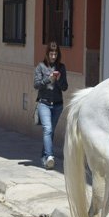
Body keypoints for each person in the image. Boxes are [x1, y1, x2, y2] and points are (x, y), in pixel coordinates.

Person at [33, 41, 68, 170]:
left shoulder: (61, 67)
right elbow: (36, 84)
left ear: (58, 54)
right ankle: (50, 156)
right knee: (47, 129)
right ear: (47, 54)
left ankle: (44, 158)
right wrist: (48, 79)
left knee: (50, 132)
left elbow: (65, 87)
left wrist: (58, 80)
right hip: (44, 103)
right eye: (51, 54)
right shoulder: (41, 66)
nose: (53, 56)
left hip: (58, 105)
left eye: (55, 54)